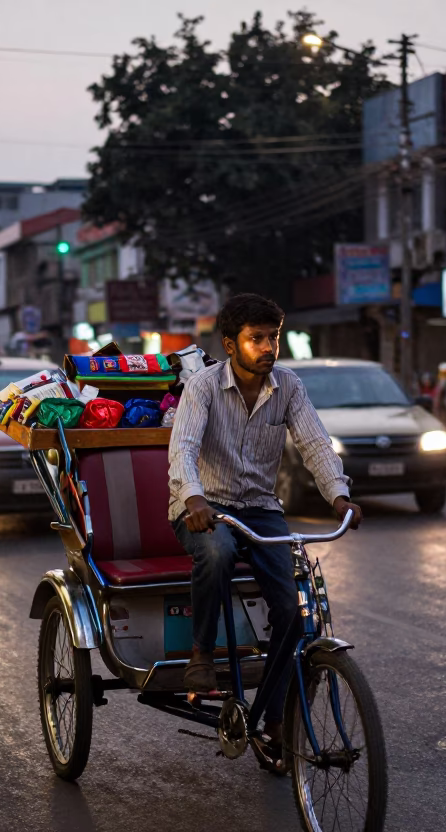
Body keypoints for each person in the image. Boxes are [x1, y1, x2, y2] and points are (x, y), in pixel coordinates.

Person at [168, 293, 362, 750]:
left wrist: (339, 496)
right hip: (204, 507)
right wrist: (193, 498)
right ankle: (202, 652)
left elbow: (314, 442)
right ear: (231, 345)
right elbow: (184, 450)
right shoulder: (202, 387)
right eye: (256, 339)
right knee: (216, 550)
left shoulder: (289, 386)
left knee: (294, 611)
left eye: (273, 337)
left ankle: (274, 715)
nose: (268, 347)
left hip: (261, 508)